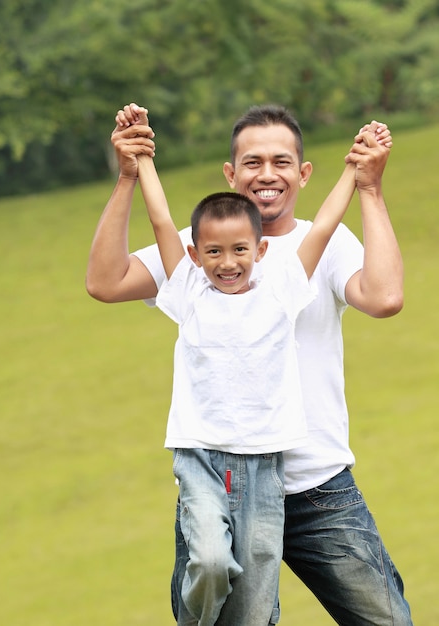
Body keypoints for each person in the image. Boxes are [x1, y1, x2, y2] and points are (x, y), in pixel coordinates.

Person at [86, 104, 412, 626]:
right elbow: (106, 281)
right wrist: (130, 175)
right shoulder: (203, 256)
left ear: (303, 174)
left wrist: (367, 186)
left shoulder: (303, 257)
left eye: (280, 161)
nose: (266, 174)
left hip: (318, 482)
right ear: (230, 174)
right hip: (225, 480)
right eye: (252, 162)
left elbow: (386, 296)